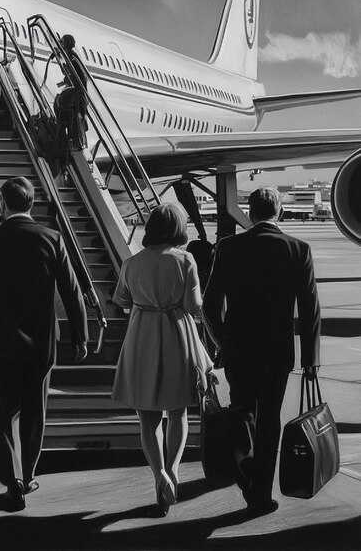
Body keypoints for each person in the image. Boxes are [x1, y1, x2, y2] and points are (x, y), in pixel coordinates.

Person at [0, 176, 88, 512]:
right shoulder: (52, 238)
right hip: (40, 344)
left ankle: (12, 480)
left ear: (2, 204)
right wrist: (80, 336)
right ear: (31, 203)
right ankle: (29, 473)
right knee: (35, 411)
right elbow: (72, 292)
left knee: (2, 413)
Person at [203, 187, 320, 516]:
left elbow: (210, 306)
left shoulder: (229, 247)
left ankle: (245, 463)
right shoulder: (298, 249)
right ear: (279, 211)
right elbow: (310, 310)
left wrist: (222, 343)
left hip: (238, 349)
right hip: (277, 351)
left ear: (250, 213)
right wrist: (310, 359)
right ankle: (260, 493)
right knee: (270, 419)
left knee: (242, 412)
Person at [112, 203, 213, 517]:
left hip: (142, 334)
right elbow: (193, 306)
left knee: (147, 418)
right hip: (175, 333)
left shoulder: (131, 263)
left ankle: (159, 475)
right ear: (177, 228)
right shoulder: (185, 260)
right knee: (177, 410)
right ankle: (174, 469)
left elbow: (122, 301)